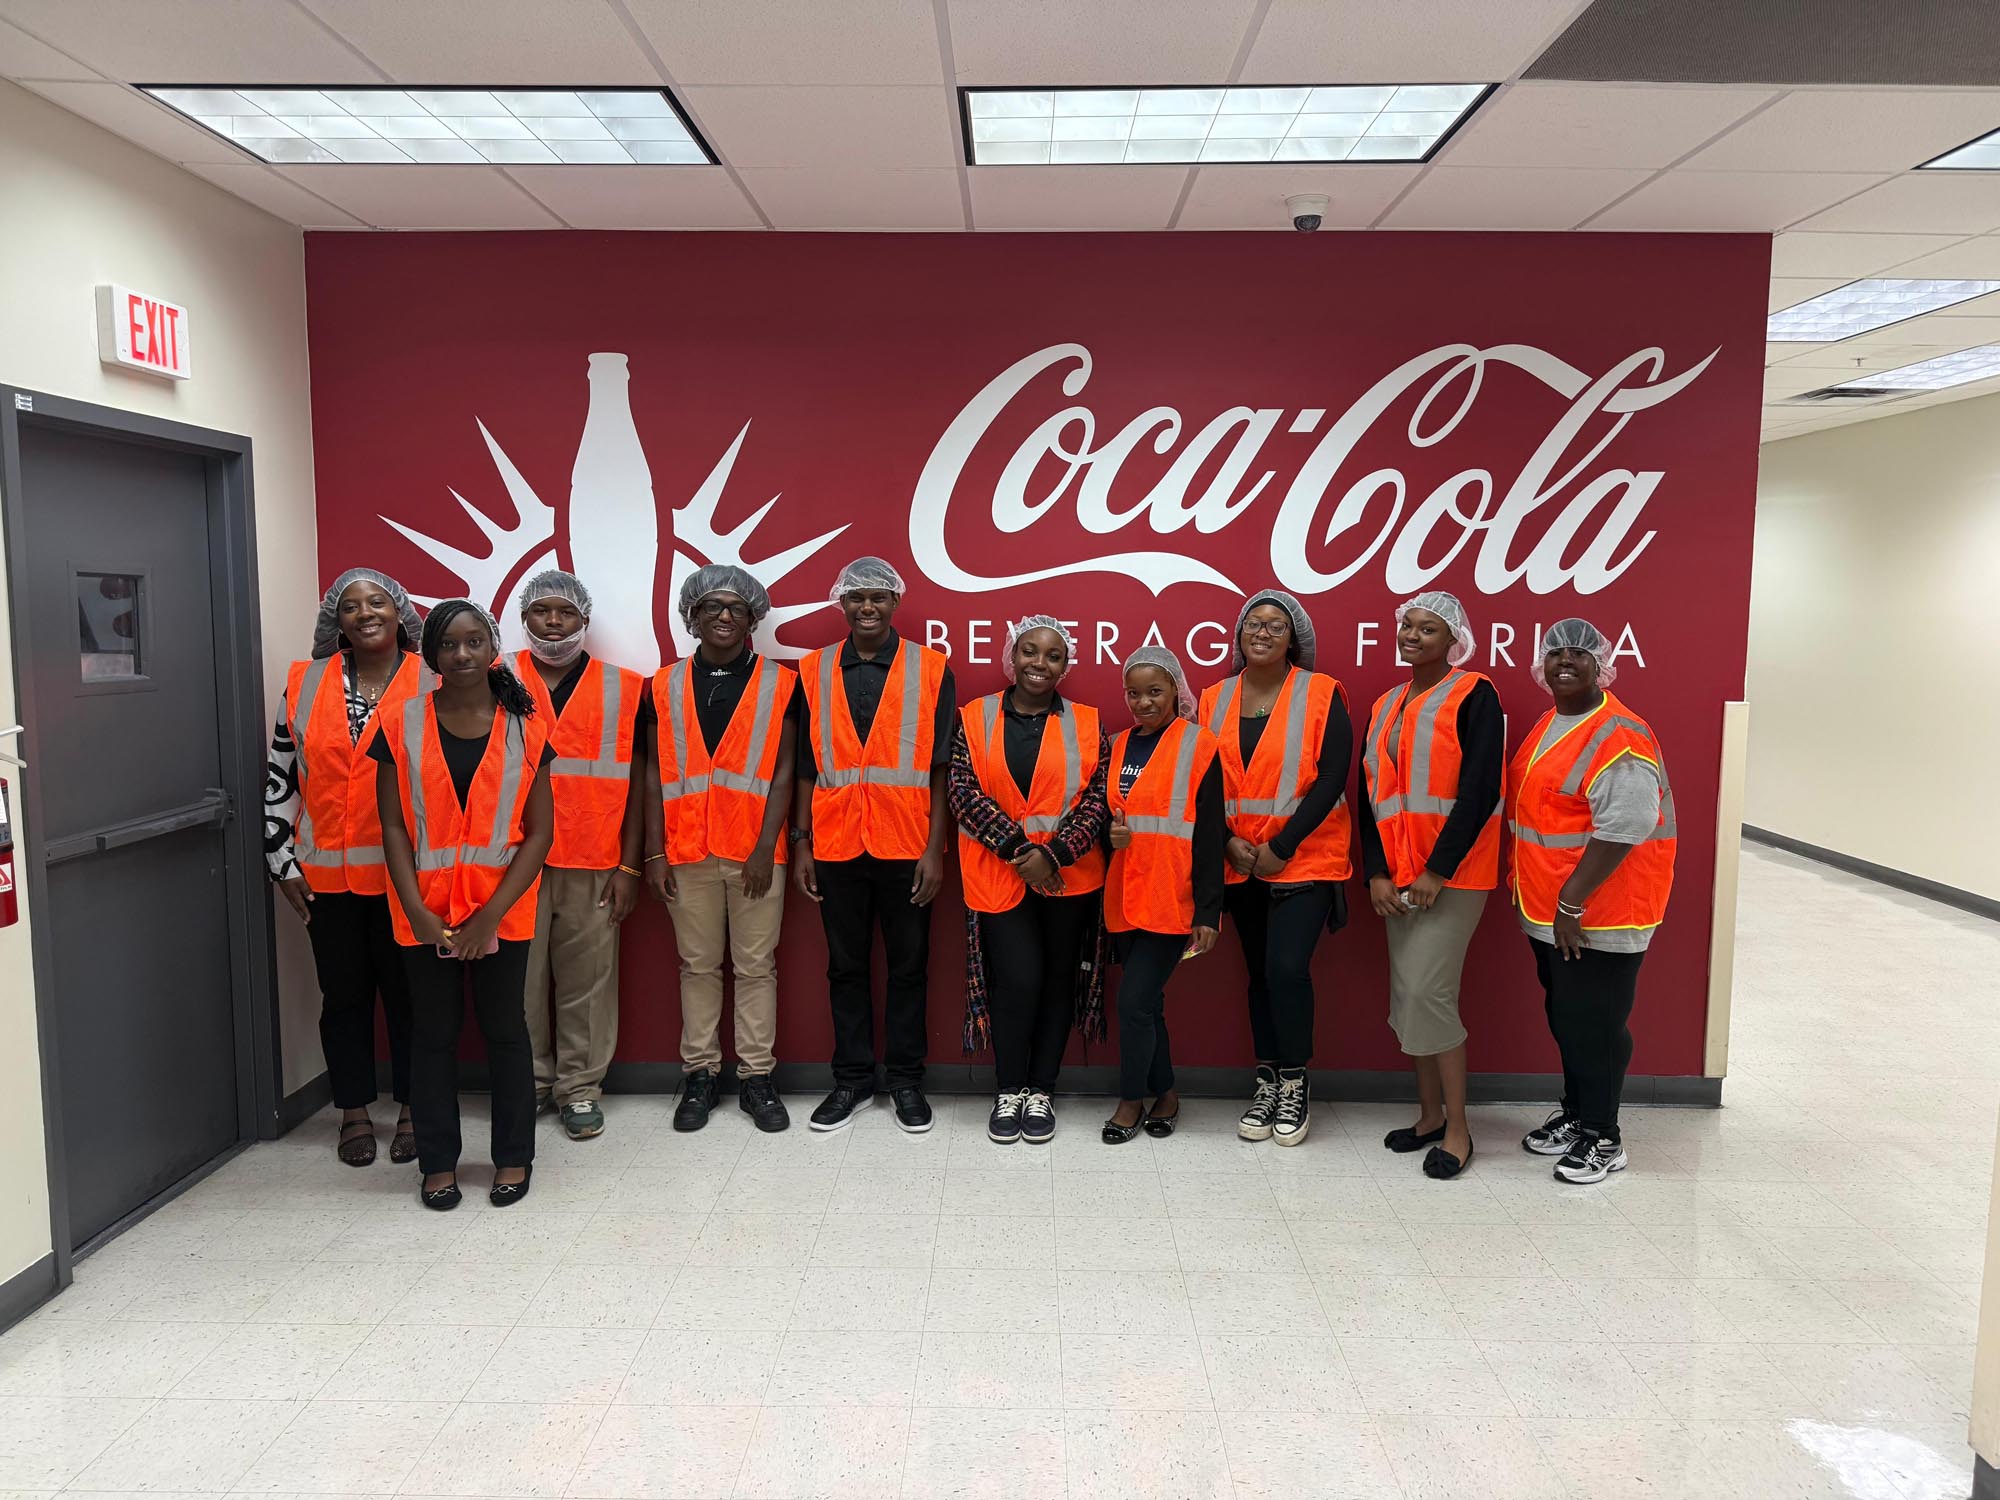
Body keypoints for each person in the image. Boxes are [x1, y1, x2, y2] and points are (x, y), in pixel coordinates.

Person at [373, 599, 554, 1210]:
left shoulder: (526, 723)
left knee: (506, 1032)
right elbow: (393, 828)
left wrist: (489, 917)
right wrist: (422, 914)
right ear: (432, 655)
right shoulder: (400, 723)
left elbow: (539, 833)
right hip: (424, 914)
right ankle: (437, 1163)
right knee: (433, 1037)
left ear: (492, 646)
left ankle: (512, 1158)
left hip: (502, 910)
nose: (462, 654)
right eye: (449, 644)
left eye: (475, 641)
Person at [267, 568, 428, 1167]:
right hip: (324, 879)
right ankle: (354, 1111)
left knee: (412, 996)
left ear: (400, 611)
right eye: (352, 606)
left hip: (408, 876)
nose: (365, 613)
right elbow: (282, 776)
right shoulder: (304, 683)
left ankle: (415, 1107)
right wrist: (280, 861)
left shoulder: (434, 677)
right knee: (343, 997)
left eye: (378, 602)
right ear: (335, 619)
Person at [1509, 618, 1676, 1185]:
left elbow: (1628, 822)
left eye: (1579, 654)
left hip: (1601, 913)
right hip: (1553, 911)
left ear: (1601, 664)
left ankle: (1605, 1136)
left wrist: (1573, 902)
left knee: (1596, 1024)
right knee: (1568, 1016)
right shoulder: (1553, 721)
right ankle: (1578, 1113)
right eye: (1554, 652)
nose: (1564, 662)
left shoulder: (1618, 735)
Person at [792, 557, 956, 1133]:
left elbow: (941, 770)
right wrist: (802, 843)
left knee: (910, 967)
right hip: (836, 844)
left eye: (879, 598)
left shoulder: (932, 669)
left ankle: (907, 1081)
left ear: (896, 604)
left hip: (907, 844)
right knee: (846, 967)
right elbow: (806, 768)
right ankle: (853, 1081)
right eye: (857, 596)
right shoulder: (811, 672)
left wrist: (935, 850)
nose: (868, 607)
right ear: (841, 602)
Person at [644, 564, 798, 1134]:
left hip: (756, 853)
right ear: (693, 616)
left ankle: (758, 1077)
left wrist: (765, 847)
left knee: (757, 966)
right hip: (686, 851)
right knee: (697, 966)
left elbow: (785, 771)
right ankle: (701, 1075)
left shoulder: (783, 683)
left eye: (736, 608)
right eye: (712, 607)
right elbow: (651, 772)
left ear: (754, 617)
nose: (725, 616)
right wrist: (653, 853)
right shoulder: (660, 686)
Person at [1198, 589, 1353, 1148]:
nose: (1261, 632)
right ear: (1238, 635)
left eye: (1275, 625)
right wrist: (1229, 843)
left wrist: (1282, 845)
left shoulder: (1322, 692)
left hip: (1305, 858)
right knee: (1260, 974)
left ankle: (1294, 1079)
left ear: (1295, 640)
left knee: (1287, 969)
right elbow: (1201, 778)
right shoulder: (1214, 696)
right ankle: (1266, 1077)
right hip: (1239, 861)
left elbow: (1334, 776)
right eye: (1252, 623)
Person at [1358, 592, 1504, 1181]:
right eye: (1407, 626)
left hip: (1452, 877)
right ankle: (1427, 1118)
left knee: (1428, 994)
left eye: (1428, 629)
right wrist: (1375, 872)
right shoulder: (1387, 703)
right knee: (1406, 995)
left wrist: (1436, 871)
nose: (1412, 635)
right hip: (1398, 878)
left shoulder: (1475, 695)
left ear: (1454, 641)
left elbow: (1478, 791)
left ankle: (1460, 1131)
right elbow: (1368, 799)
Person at [948, 615, 1109, 1145]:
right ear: (1011, 656)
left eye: (1053, 655)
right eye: (1029, 652)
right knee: (1018, 982)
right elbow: (963, 793)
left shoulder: (1088, 723)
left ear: (1067, 665)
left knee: (1059, 983)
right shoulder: (974, 717)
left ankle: (1043, 1089)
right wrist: (1024, 852)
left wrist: (1056, 854)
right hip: (999, 875)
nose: (1040, 664)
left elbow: (1097, 801)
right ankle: (1009, 1088)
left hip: (1070, 879)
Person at [512, 570, 646, 1142]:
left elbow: (641, 782)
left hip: (594, 860)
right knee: (519, 982)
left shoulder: (627, 687)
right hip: (512, 861)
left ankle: (579, 1089)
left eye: (565, 612)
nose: (554, 622)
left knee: (587, 984)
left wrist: (630, 865)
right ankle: (529, 1083)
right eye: (542, 611)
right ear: (525, 618)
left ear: (584, 619)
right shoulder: (494, 678)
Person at [1101, 648, 1223, 1144]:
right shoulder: (1115, 744)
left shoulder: (1201, 746)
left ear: (1176, 689)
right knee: (1148, 1006)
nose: (1143, 701)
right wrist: (1109, 834)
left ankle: (1131, 1099)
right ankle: (1167, 1095)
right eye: (1134, 692)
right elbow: (1105, 812)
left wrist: (1209, 912)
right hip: (1123, 896)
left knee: (1132, 1003)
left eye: (1155, 691)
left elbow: (1212, 834)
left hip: (1173, 898)